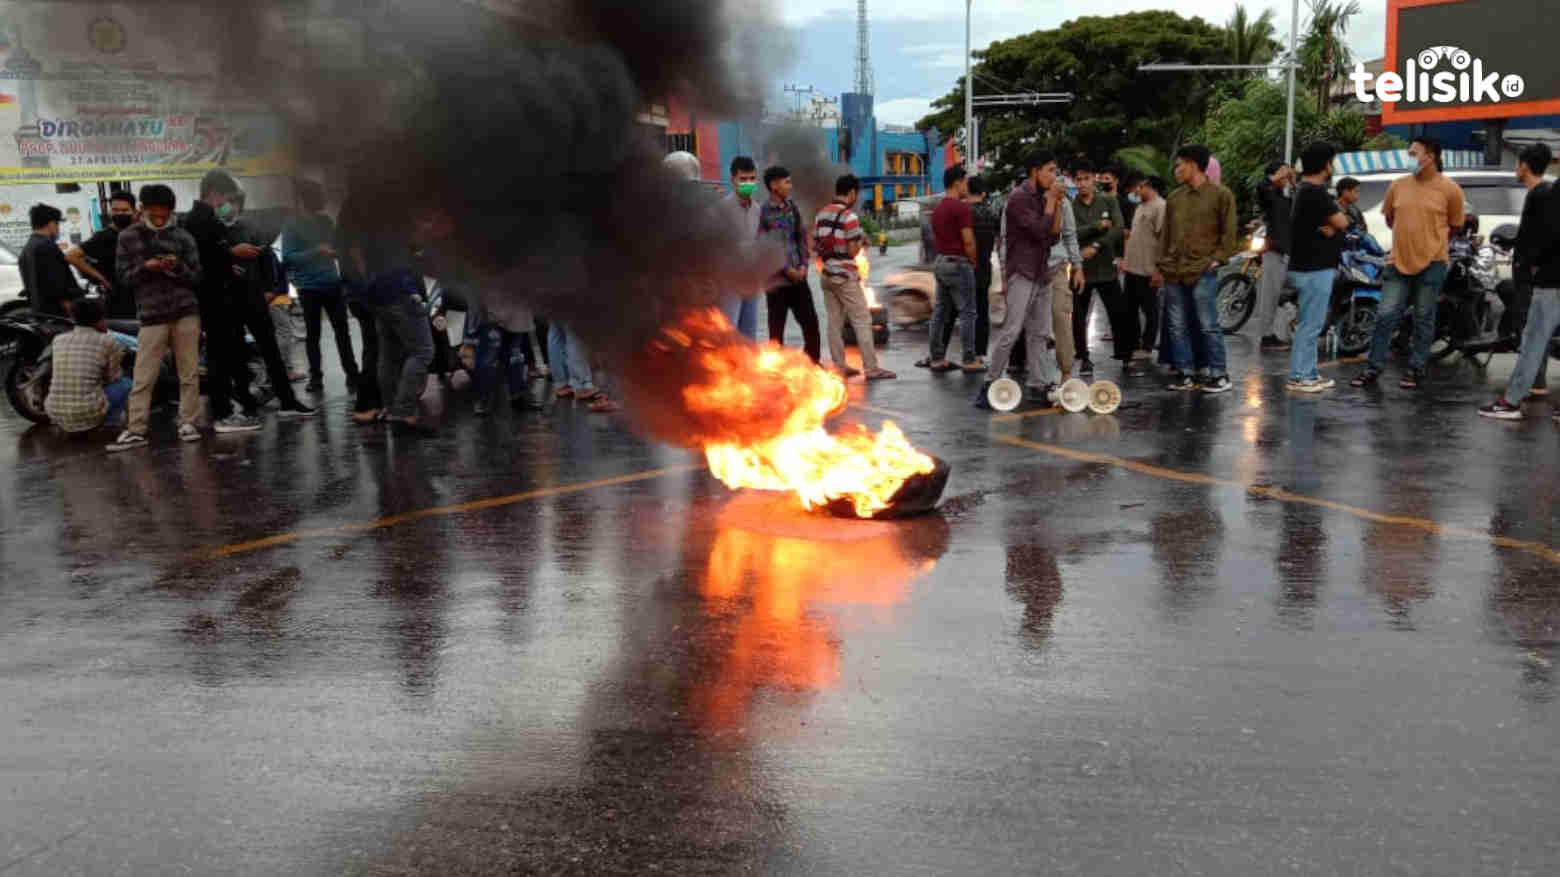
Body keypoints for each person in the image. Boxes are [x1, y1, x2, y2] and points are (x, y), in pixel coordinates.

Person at [1350, 136, 1465, 390]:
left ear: (1430, 156)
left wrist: (1432, 242)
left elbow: (1456, 225)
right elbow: (1391, 219)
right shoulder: (1397, 186)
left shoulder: (1450, 189)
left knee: (1424, 317)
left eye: (1414, 153)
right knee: (1386, 315)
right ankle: (1373, 368)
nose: (1409, 157)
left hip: (1433, 263)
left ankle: (1416, 368)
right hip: (1397, 262)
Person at [107, 184, 202, 451]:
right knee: (143, 375)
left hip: (186, 311)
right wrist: (146, 268)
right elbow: (123, 278)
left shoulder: (184, 237)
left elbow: (197, 277)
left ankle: (189, 423)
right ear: (143, 210)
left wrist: (177, 267)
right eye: (155, 214)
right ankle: (136, 429)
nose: (160, 219)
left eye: (165, 214)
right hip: (151, 315)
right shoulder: (127, 237)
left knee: (189, 372)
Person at [976, 152, 1066, 410]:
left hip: (1041, 272)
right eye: (1050, 170)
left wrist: (1057, 204)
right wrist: (1051, 202)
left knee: (1039, 333)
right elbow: (1038, 231)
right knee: (1012, 331)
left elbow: (1053, 235)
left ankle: (1038, 385)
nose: (1054, 176)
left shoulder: (1043, 197)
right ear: (1035, 171)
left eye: (1055, 171)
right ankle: (989, 382)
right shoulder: (1019, 198)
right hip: (1022, 272)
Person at [222, 189, 319, 424]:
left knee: (272, 351)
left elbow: (267, 259)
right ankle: (246, 406)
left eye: (233, 202)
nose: (228, 207)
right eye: (224, 202)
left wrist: (268, 289)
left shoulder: (250, 228)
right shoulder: (214, 231)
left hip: (255, 299)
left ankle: (288, 401)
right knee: (235, 355)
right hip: (228, 301)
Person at [1479, 143, 1559, 419]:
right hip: (1549, 277)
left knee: (1533, 339)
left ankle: (1512, 402)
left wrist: (1533, 263)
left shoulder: (1546, 193)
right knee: (1535, 338)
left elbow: (1549, 234)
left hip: (1550, 279)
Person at [1154, 144, 1238, 394]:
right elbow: (1165, 237)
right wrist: (1162, 265)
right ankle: (1185, 372)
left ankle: (1219, 373)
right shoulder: (1175, 198)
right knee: (1176, 325)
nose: (1176, 170)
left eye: (1180, 164)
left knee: (1208, 323)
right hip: (1174, 271)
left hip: (1203, 269)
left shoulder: (1222, 195)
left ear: (1193, 164)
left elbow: (1229, 234)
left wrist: (1216, 259)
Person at [283, 178, 360, 393]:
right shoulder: (291, 226)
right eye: (319, 196)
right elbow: (288, 257)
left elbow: (336, 246)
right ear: (308, 199)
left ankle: (352, 374)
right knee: (313, 335)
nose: (323, 200)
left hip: (332, 284)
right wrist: (317, 251)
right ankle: (316, 378)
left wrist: (338, 251)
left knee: (342, 331)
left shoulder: (326, 222)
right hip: (308, 288)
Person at [814, 173, 894, 381]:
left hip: (827, 275)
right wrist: (861, 241)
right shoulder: (850, 217)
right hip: (845, 275)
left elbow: (816, 245)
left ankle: (839, 365)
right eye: (856, 194)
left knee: (834, 322)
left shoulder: (821, 214)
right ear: (851, 193)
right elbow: (851, 251)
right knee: (862, 320)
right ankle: (872, 368)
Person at [1285, 142, 1348, 393]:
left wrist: (1333, 226)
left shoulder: (1304, 190)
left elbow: (1337, 223)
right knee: (1310, 324)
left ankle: (1309, 372)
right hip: (1314, 268)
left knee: (1310, 322)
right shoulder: (1316, 192)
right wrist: (1336, 225)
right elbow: (1343, 220)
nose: (1333, 167)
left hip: (1308, 266)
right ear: (1325, 164)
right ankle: (1300, 376)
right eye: (1331, 162)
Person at [334, 176, 385, 424]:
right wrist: (370, 283)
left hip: (355, 291)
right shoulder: (356, 209)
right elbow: (356, 253)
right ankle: (367, 403)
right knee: (374, 346)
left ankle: (375, 400)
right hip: (364, 292)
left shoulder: (347, 210)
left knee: (373, 344)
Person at [1070, 159, 1128, 376]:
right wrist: (1097, 227)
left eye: (1087, 178)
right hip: (1080, 270)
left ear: (1094, 178)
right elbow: (1071, 233)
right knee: (1078, 317)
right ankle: (1083, 357)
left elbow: (1118, 229)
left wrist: (1096, 244)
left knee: (1118, 313)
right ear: (1074, 182)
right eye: (1079, 179)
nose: (1083, 183)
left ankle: (1125, 356)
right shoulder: (1070, 206)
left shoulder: (1108, 202)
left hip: (1105, 267)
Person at [757, 166, 820, 363]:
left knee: (811, 323)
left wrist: (803, 266)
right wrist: (787, 270)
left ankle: (813, 365)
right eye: (787, 182)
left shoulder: (792, 207)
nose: (790, 186)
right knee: (776, 331)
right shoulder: (763, 212)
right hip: (777, 282)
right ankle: (778, 372)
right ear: (774, 185)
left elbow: (800, 238)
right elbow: (766, 246)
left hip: (799, 278)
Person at [44, 298, 131, 434]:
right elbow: (113, 378)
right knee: (126, 383)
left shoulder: (58, 339)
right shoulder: (108, 341)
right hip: (87, 412)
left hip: (55, 412)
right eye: (104, 319)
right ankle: (110, 423)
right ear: (99, 320)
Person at [927, 165, 980, 372]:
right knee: (967, 313)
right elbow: (968, 241)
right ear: (958, 183)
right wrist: (974, 261)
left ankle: (937, 358)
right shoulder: (961, 208)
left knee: (940, 311)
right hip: (958, 264)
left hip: (941, 262)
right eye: (966, 182)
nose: (967, 186)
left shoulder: (938, 209)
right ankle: (969, 359)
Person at [463, 293, 543, 416]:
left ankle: (517, 397)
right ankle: (482, 400)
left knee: (515, 359)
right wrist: (469, 334)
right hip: (491, 316)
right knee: (487, 361)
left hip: (518, 315)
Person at [67, 190, 137, 317]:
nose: (120, 213)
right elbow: (71, 255)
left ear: (134, 210)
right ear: (110, 212)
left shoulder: (140, 233)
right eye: (115, 210)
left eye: (125, 210)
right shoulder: (103, 237)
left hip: (143, 298)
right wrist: (100, 278)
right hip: (118, 302)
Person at [1123, 175, 1166, 364]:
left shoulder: (1160, 206)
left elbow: (1163, 239)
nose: (1136, 191)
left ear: (1149, 187)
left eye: (1140, 187)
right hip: (1132, 268)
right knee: (1130, 310)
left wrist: (1159, 270)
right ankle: (1134, 344)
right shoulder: (1140, 207)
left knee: (1150, 311)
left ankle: (1147, 347)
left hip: (1148, 269)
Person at [720, 155, 763, 339]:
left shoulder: (757, 210)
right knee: (729, 329)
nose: (748, 183)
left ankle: (747, 367)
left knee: (749, 332)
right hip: (730, 280)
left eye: (752, 179)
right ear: (733, 180)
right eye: (743, 179)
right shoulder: (722, 209)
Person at [1254, 160, 1294, 350]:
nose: (1286, 176)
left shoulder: (1282, 197)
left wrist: (1291, 182)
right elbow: (1261, 187)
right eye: (1282, 173)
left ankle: (1281, 330)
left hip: (1286, 251)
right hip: (1274, 250)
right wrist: (1278, 176)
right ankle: (1266, 336)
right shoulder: (1268, 194)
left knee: (1280, 294)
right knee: (1269, 295)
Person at [20, 204, 80, 317]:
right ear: (52, 224)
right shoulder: (47, 246)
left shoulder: (27, 249)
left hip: (41, 313)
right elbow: (57, 284)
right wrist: (71, 311)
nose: (58, 229)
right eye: (58, 224)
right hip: (59, 315)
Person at [968, 176, 1000, 361]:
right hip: (984, 265)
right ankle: (980, 353)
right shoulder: (991, 212)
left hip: (967, 265)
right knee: (982, 310)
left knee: (965, 312)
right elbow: (999, 237)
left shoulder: (965, 212)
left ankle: (967, 352)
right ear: (984, 193)